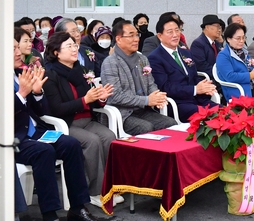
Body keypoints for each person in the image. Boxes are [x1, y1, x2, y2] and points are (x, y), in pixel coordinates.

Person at [12, 39, 98, 221]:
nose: (19, 53)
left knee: (71, 144)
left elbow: (42, 111)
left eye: (17, 48)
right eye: (13, 49)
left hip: (35, 132)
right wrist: (21, 95)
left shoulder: (21, 73)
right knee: (44, 151)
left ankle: (77, 207)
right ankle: (50, 214)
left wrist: (36, 93)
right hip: (12, 138)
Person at [43, 32, 116, 207]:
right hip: (66, 124)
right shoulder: (51, 75)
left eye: (75, 45)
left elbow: (91, 98)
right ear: (56, 52)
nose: (75, 49)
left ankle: (111, 187)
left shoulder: (80, 70)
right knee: (93, 141)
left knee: (109, 137)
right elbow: (56, 108)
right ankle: (95, 191)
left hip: (86, 120)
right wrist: (85, 100)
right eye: (69, 46)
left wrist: (101, 97)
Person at [101, 20, 177, 135]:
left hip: (143, 110)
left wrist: (157, 96)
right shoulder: (110, 63)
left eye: (137, 35)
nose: (136, 39)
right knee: (146, 128)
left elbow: (150, 83)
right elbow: (115, 96)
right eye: (131, 35)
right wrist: (147, 100)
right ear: (118, 39)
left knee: (170, 123)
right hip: (122, 113)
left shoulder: (142, 59)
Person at [148, 15, 218, 121]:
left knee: (224, 111)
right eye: (170, 32)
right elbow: (165, 87)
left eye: (177, 30)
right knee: (209, 116)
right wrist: (195, 89)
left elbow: (194, 76)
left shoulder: (185, 52)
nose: (175, 35)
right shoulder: (155, 58)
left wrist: (204, 87)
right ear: (160, 36)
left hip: (197, 99)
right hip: (177, 103)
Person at [190, 14, 223, 82]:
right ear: (207, 27)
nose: (219, 30)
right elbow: (202, 66)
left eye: (220, 27)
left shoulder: (217, 44)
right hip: (207, 79)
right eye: (217, 27)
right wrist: (220, 74)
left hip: (219, 77)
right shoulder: (198, 44)